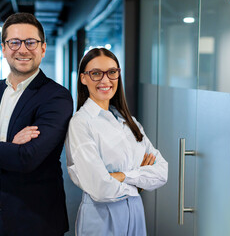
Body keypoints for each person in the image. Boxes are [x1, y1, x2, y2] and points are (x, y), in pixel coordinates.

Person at [0, 12, 72, 236]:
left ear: (42, 48)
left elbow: (28, 158)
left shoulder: (56, 97)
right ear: (3, 48)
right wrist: (10, 145)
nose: (22, 49)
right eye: (14, 42)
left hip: (36, 220)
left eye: (30, 42)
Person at [65, 48, 168, 236]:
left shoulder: (129, 122)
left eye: (112, 72)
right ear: (83, 78)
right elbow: (100, 188)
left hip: (136, 210)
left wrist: (120, 176)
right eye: (96, 73)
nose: (105, 80)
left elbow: (162, 172)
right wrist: (139, 180)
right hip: (102, 214)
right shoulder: (81, 123)